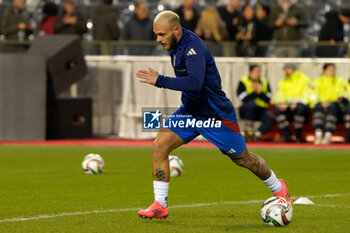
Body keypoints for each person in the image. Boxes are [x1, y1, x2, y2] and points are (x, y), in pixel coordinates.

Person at [136, 10, 292, 219]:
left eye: (162, 34)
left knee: (243, 159)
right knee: (159, 146)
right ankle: (159, 204)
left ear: (176, 29)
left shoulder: (193, 47)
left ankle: (278, 186)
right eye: (156, 34)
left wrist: (160, 80)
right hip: (190, 112)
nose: (158, 39)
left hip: (215, 115)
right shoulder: (176, 45)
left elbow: (194, 83)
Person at [274, 63, 311, 142]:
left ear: (292, 69)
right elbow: (279, 95)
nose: (285, 71)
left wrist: (297, 103)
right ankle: (287, 135)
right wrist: (281, 103)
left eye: (287, 69)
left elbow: (308, 95)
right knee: (278, 109)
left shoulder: (304, 79)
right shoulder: (283, 81)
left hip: (301, 107)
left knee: (300, 108)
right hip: (288, 107)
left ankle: (297, 135)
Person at [237, 64, 274, 141]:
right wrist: (254, 92)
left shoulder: (264, 81)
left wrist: (260, 93)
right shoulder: (243, 81)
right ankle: (249, 132)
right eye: (256, 71)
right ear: (250, 72)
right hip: (246, 109)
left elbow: (268, 98)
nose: (258, 73)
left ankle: (257, 134)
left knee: (270, 118)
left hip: (260, 110)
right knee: (251, 105)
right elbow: (242, 98)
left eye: (260, 71)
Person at [312, 64, 347, 145]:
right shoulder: (317, 81)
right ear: (324, 71)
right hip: (321, 104)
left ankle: (328, 136)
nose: (332, 71)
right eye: (329, 69)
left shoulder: (340, 81)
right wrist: (322, 103)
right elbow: (312, 95)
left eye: (333, 69)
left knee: (332, 107)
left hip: (336, 106)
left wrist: (330, 102)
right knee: (318, 107)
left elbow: (343, 96)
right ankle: (318, 135)